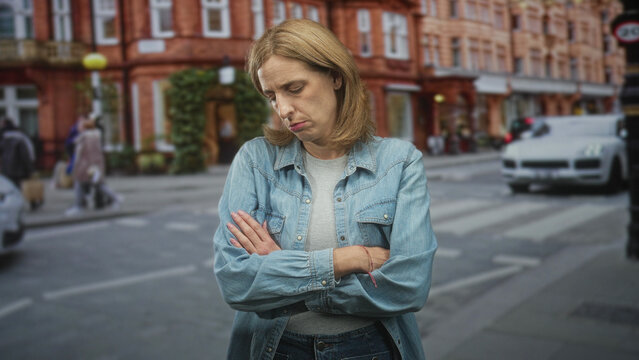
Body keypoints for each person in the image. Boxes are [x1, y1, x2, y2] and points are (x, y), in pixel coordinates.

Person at [213, 19, 437, 359]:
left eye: (294, 88)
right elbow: (236, 283)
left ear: (335, 76)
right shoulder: (256, 160)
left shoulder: (398, 162)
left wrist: (281, 270)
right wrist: (346, 259)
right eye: (272, 96)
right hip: (276, 349)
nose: (283, 109)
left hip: (370, 349)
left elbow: (408, 288)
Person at [65, 115, 121, 216]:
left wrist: (82, 166)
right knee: (95, 185)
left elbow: (86, 154)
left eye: (80, 125)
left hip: (86, 167)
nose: (78, 127)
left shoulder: (86, 138)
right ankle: (115, 199)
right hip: (89, 166)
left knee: (86, 185)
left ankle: (79, 206)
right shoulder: (91, 137)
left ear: (84, 127)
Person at [0, 116, 35, 188]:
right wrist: (30, 169)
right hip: (19, 170)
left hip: (6, 169)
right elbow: (26, 155)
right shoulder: (21, 136)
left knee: (8, 187)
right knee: (17, 188)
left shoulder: (3, 137)